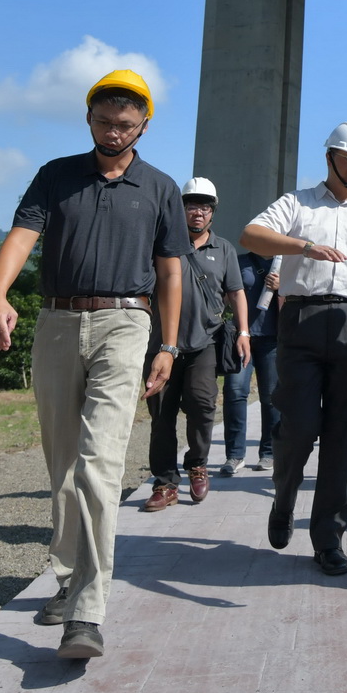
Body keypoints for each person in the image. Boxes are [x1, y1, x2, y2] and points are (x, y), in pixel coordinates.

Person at [0, 70, 188, 660]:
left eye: (125, 124)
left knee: (99, 464)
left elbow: (170, 271)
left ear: (144, 124)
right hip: (56, 322)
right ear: (88, 119)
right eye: (104, 121)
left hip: (126, 322)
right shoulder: (57, 175)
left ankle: (88, 612)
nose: (114, 132)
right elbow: (23, 235)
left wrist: (168, 346)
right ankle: (68, 577)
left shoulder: (162, 187)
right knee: (63, 463)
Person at [239, 121, 347, 576]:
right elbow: (251, 235)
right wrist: (303, 246)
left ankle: (328, 538)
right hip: (303, 321)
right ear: (330, 157)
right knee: (298, 425)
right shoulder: (297, 204)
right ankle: (284, 496)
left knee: (344, 437)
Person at [142, 177, 247, 511]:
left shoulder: (224, 249)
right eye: (191, 205)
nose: (197, 212)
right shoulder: (159, 244)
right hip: (160, 345)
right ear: (180, 209)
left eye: (204, 206)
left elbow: (236, 292)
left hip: (205, 342)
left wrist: (244, 332)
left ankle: (197, 464)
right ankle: (165, 483)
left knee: (202, 405)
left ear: (212, 212)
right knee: (161, 415)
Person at [222, 250, 280, 474]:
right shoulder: (240, 261)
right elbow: (227, 295)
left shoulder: (284, 261)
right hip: (241, 336)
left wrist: (281, 287)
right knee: (235, 392)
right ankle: (234, 455)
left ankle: (269, 452)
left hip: (272, 338)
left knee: (271, 397)